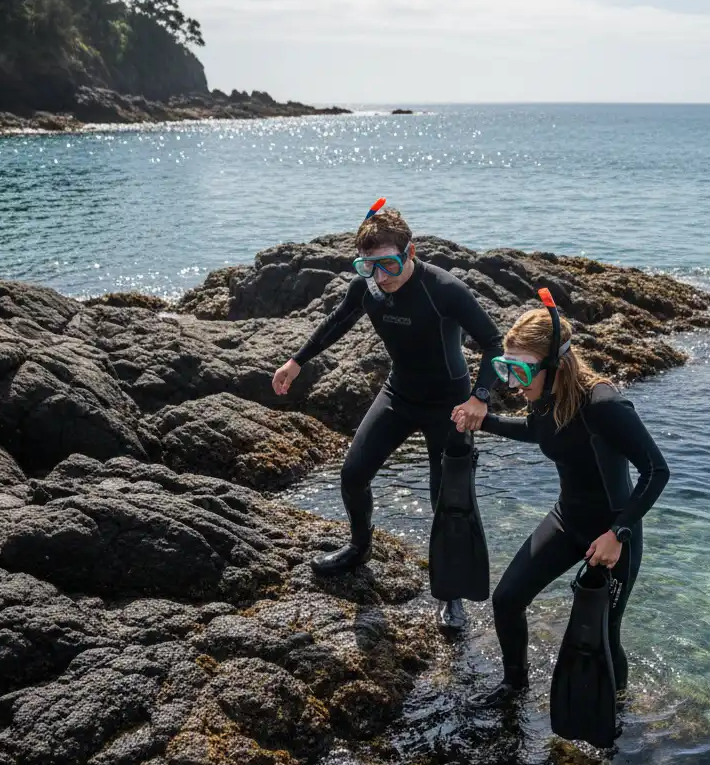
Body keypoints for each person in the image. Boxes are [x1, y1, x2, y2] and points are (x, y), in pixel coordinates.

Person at [272, 201, 504, 629]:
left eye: (389, 264)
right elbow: (336, 322)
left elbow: (494, 343)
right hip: (399, 394)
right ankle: (360, 547)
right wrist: (296, 361)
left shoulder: (444, 289)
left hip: (449, 405)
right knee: (353, 474)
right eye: (369, 267)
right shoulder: (369, 288)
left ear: (410, 253)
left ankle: (450, 595)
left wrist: (480, 398)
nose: (381, 277)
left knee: (447, 500)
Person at [453, 302, 669, 707]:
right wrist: (486, 422)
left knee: (604, 631)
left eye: (521, 371)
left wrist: (618, 533)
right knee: (507, 600)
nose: (513, 383)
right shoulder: (545, 395)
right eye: (506, 368)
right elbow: (543, 433)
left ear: (555, 364)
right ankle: (514, 687)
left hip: (612, 536)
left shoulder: (604, 404)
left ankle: (616, 712)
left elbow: (657, 471)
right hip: (567, 521)